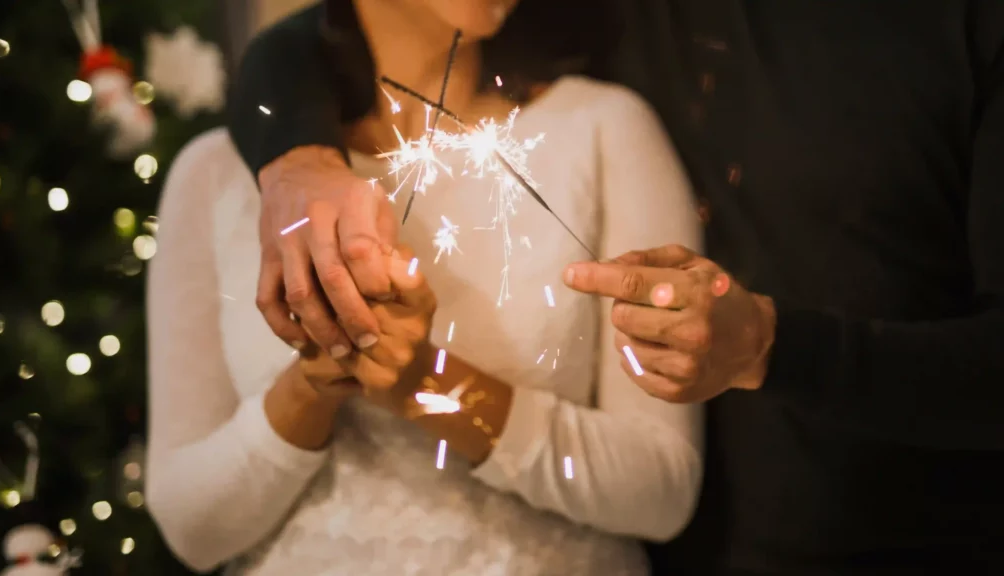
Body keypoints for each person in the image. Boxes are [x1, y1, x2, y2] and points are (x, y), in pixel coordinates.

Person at [227, 1, 1004, 575]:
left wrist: (774, 344)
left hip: (921, 546)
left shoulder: (963, 26)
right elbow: (322, 37)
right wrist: (297, 156)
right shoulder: (615, 15)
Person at [145, 0, 705, 574]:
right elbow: (191, 530)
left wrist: (427, 383)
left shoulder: (601, 130)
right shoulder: (216, 173)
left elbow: (662, 492)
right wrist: (314, 383)